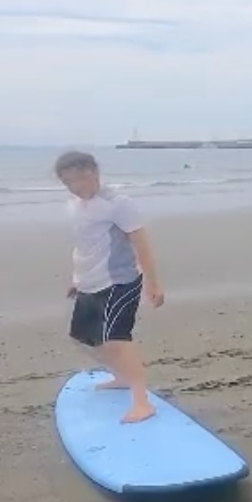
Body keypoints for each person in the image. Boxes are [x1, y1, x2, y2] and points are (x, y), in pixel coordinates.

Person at [55, 150, 164, 424]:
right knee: (86, 337)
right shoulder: (75, 204)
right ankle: (121, 377)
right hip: (89, 282)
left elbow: (141, 243)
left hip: (119, 281)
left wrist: (153, 283)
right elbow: (86, 246)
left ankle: (142, 402)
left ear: (94, 173)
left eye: (78, 179)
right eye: (67, 181)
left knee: (117, 339)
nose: (74, 187)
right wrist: (76, 280)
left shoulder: (117, 203)